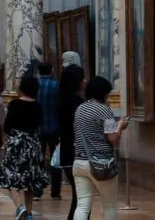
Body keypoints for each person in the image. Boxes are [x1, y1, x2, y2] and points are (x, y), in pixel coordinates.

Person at [73, 76, 127, 220]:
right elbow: (113, 138)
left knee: (82, 205)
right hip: (102, 164)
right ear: (103, 93)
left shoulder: (80, 109)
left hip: (79, 162)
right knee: (110, 205)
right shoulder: (104, 110)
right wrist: (120, 126)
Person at [0, 76, 49, 220]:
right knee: (30, 181)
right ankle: (29, 213)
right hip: (32, 144)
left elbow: (7, 127)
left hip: (17, 144)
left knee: (12, 177)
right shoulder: (38, 106)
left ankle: (20, 208)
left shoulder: (14, 104)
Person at [58, 65, 86, 220]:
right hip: (78, 153)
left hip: (66, 152)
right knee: (82, 200)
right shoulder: (78, 104)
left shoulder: (61, 100)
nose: (85, 81)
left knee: (79, 197)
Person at [36, 62, 62, 199]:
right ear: (52, 70)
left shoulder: (35, 86)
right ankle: (55, 192)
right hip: (55, 127)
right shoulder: (57, 86)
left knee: (38, 159)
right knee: (55, 159)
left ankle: (37, 190)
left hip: (37, 128)